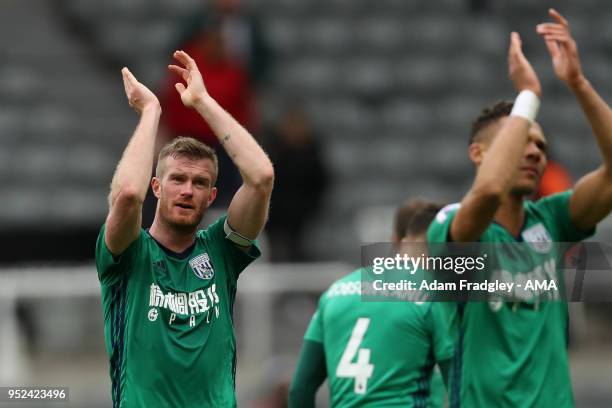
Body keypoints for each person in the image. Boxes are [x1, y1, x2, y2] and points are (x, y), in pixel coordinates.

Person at [427, 9, 612, 407]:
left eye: (541, 146)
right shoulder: (451, 227)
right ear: (478, 154)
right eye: (522, 140)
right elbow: (490, 189)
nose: (534, 152)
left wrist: (577, 83)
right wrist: (528, 96)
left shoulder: (553, 221)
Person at [95, 50, 274, 407]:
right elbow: (129, 195)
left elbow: (261, 177)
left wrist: (203, 102)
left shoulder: (222, 250)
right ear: (157, 188)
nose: (187, 190)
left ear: (211, 197)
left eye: (198, 183)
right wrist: (151, 113)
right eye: (177, 179)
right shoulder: (130, 254)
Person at [289, 199, 455, 407]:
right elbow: (459, 386)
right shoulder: (436, 295)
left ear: (395, 240)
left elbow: (300, 388)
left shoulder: (335, 292)